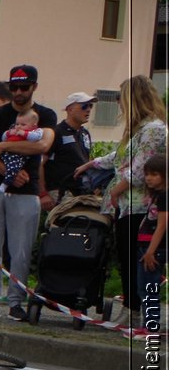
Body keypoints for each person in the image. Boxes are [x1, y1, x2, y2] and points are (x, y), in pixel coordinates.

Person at [0, 66, 55, 319]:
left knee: (21, 249)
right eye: (13, 87)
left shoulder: (45, 115)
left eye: (23, 87)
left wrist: (2, 145)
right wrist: (9, 172)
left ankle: (16, 302)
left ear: (33, 87)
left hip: (26, 193)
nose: (17, 92)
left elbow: (43, 144)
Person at [104, 75, 168, 319]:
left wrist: (117, 189)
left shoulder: (154, 129)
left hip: (142, 207)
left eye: (122, 100)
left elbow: (141, 167)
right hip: (127, 206)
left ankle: (140, 314)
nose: (120, 106)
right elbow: (120, 157)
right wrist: (91, 165)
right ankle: (131, 307)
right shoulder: (138, 129)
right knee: (127, 260)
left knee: (140, 264)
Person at [42, 93, 98, 208]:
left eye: (90, 106)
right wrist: (42, 193)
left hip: (83, 190)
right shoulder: (56, 132)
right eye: (84, 106)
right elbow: (39, 163)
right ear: (70, 109)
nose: (88, 110)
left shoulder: (85, 133)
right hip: (61, 192)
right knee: (68, 223)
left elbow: (87, 161)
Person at [134, 155, 165, 330]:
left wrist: (150, 251)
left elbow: (162, 225)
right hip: (147, 246)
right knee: (145, 288)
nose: (149, 178)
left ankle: (151, 327)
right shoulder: (156, 195)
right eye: (147, 174)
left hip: (154, 249)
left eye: (154, 174)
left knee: (148, 289)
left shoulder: (164, 196)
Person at [0, 109, 42, 194]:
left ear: (34, 125)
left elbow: (36, 137)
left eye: (23, 124)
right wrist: (9, 133)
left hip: (19, 155)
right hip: (6, 151)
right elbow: (3, 138)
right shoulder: (14, 130)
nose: (19, 126)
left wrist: (24, 134)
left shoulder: (35, 131)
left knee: (13, 167)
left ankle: (5, 183)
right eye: (17, 124)